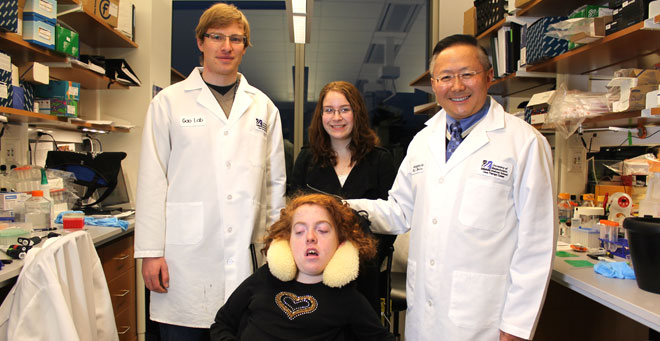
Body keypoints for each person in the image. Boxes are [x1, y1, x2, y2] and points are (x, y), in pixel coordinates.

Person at [347, 34, 556, 341]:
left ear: (487, 77)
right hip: (425, 314)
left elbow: (537, 243)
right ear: (434, 84)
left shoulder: (523, 143)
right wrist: (341, 207)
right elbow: (399, 212)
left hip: (485, 318)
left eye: (467, 74)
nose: (456, 86)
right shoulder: (422, 141)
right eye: (446, 77)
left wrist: (516, 326)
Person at [134, 3, 287, 339]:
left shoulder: (264, 108)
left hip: (248, 258)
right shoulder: (169, 103)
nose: (226, 46)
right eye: (217, 37)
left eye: (236, 39)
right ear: (200, 41)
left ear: (245, 47)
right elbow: (151, 180)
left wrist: (278, 251)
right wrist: (150, 253)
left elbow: (275, 185)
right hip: (183, 260)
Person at [210, 194, 395, 340]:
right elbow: (222, 324)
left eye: (322, 230)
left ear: (340, 243)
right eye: (299, 231)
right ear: (287, 241)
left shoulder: (348, 298)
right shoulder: (264, 278)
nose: (310, 237)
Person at [290, 81, 397, 315]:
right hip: (313, 273)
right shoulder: (306, 160)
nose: (336, 117)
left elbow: (392, 220)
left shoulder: (381, 161)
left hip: (364, 274)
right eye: (329, 110)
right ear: (320, 115)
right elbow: (292, 218)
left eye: (344, 109)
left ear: (357, 113)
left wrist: (362, 259)